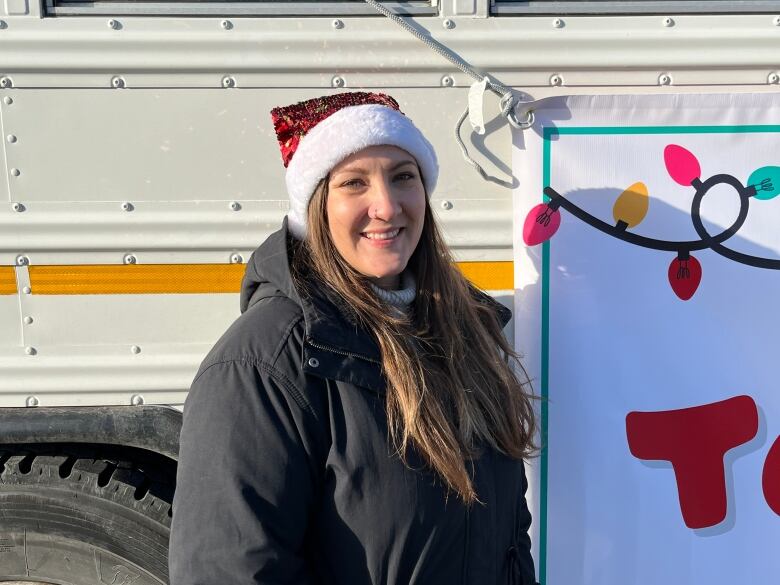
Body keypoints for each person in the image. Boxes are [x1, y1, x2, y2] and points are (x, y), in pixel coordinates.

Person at [169, 91, 539, 585]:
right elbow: (229, 570)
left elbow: (509, 544)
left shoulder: (463, 335)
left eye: (403, 177)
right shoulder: (264, 364)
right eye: (354, 183)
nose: (386, 206)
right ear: (317, 206)